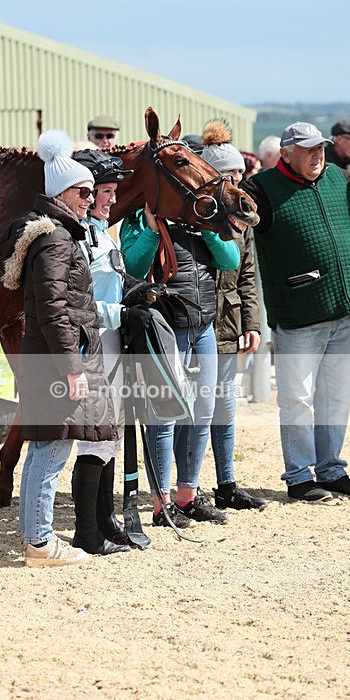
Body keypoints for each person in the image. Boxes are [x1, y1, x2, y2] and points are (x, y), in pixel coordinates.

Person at [0, 128, 126, 565]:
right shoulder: (55, 240)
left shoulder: (55, 235)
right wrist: (73, 369)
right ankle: (40, 542)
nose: (91, 199)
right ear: (62, 192)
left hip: (53, 359)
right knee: (51, 452)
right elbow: (56, 311)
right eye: (84, 191)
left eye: (92, 192)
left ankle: (36, 538)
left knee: (46, 449)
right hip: (59, 363)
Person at [243, 121, 350, 503]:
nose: (318, 154)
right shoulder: (260, 189)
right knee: (297, 398)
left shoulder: (338, 178)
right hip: (297, 314)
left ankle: (332, 469)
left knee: (338, 396)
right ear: (286, 153)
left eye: (321, 147)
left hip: (343, 308)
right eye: (308, 149)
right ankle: (299, 477)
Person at [120, 168, 242, 525]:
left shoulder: (201, 218)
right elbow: (133, 265)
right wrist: (152, 231)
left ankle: (188, 494)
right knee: (165, 414)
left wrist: (209, 229)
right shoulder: (139, 217)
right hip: (165, 328)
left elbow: (230, 260)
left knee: (202, 412)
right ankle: (161, 503)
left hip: (202, 326)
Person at [70, 147, 148, 544]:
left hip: (113, 343)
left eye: (116, 191)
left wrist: (141, 293)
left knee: (111, 436)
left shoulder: (103, 231)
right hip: (92, 345)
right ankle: (85, 529)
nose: (113, 199)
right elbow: (76, 303)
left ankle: (104, 519)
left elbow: (112, 281)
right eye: (106, 191)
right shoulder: (76, 237)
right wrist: (121, 312)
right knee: (93, 436)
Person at [199, 119, 267, 511]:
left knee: (225, 407)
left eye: (240, 171)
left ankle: (227, 483)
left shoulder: (244, 215)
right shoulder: (193, 217)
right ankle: (185, 489)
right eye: (230, 173)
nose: (239, 178)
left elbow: (248, 273)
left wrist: (252, 323)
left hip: (230, 323)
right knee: (193, 410)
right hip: (197, 324)